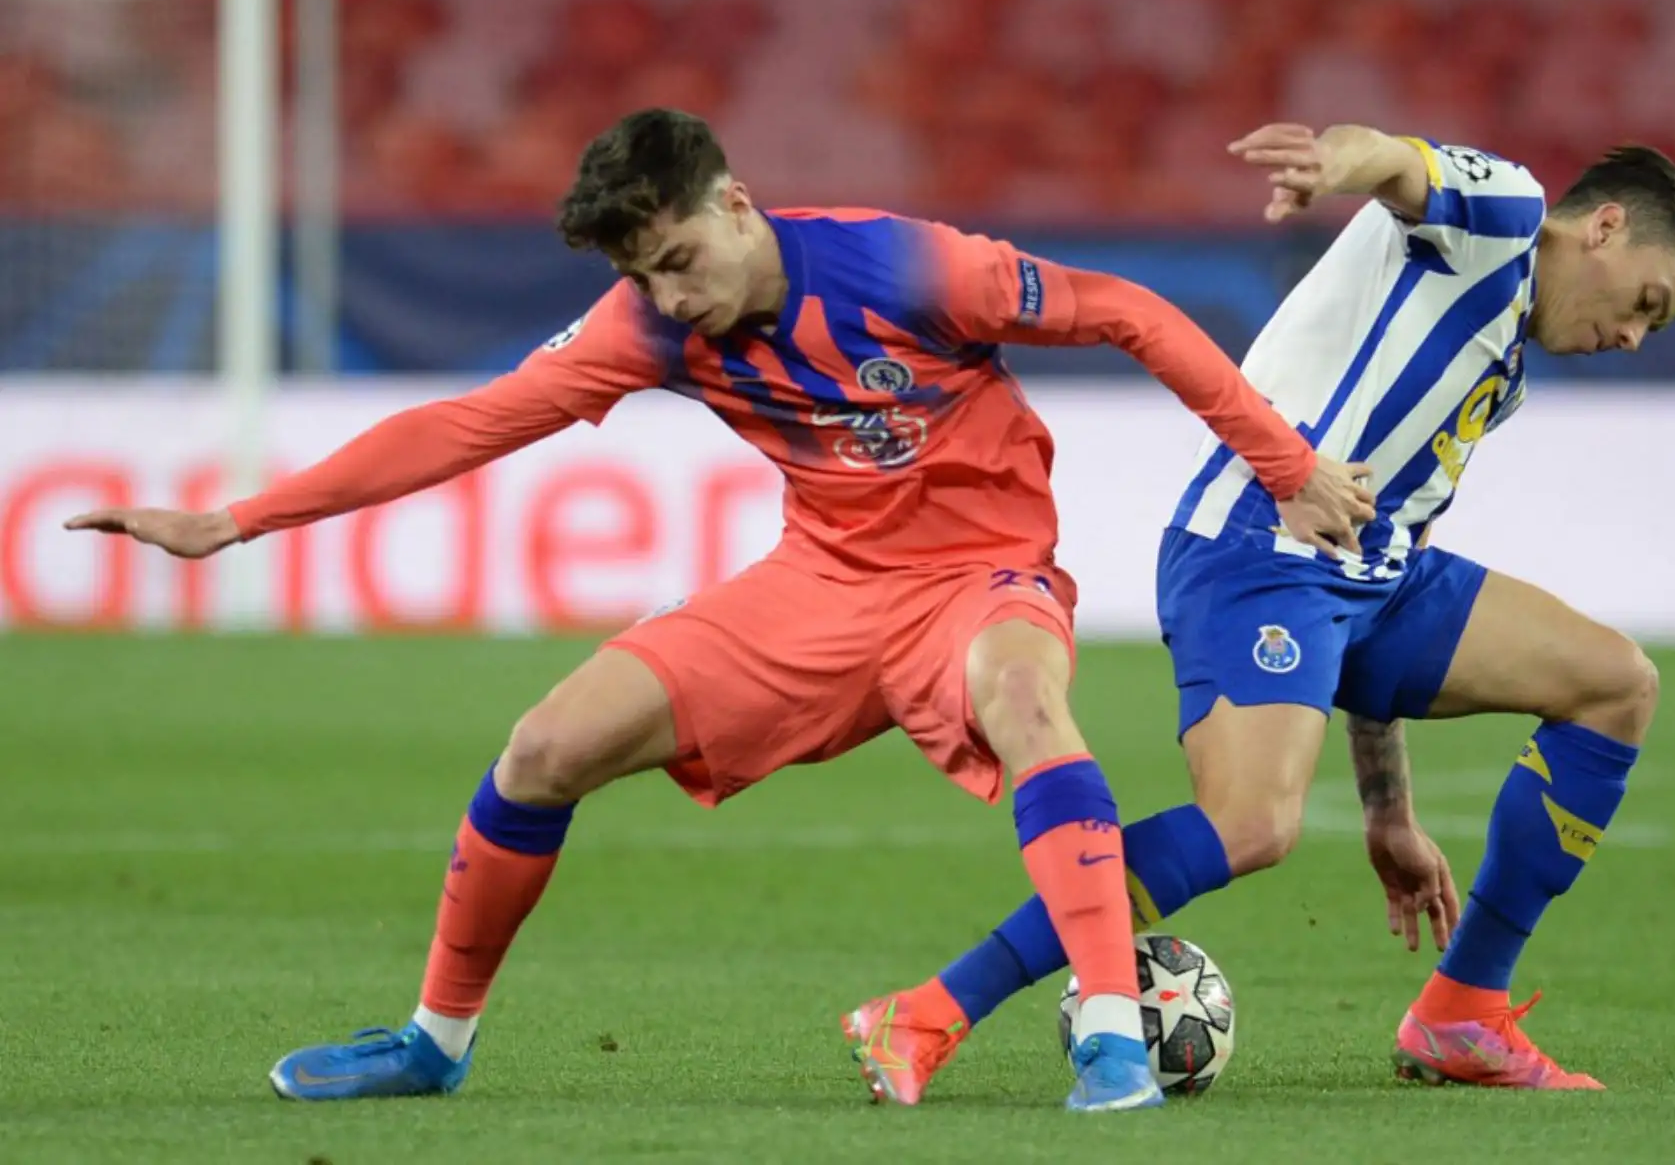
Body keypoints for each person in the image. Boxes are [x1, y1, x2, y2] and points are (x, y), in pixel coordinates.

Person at [64, 108, 1374, 1112]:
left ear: (740, 205)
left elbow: (1133, 312)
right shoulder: (650, 325)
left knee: (1027, 700)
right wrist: (237, 520)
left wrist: (1285, 462)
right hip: (815, 588)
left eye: (684, 260)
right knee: (541, 750)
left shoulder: (912, 270)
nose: (675, 297)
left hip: (976, 575)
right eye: (649, 276)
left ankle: (1106, 1036)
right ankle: (433, 1044)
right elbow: (471, 423)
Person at [841, 122, 1675, 1100]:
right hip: (1257, 549)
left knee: (1615, 684)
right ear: (1604, 228)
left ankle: (1462, 1012)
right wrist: (1329, 164)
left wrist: (1388, 811)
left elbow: (1385, 552)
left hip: (1374, 577)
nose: (1633, 337)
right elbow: (1394, 161)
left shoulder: (1502, 370)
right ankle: (927, 1009)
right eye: (1648, 303)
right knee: (1253, 822)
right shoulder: (1506, 219)